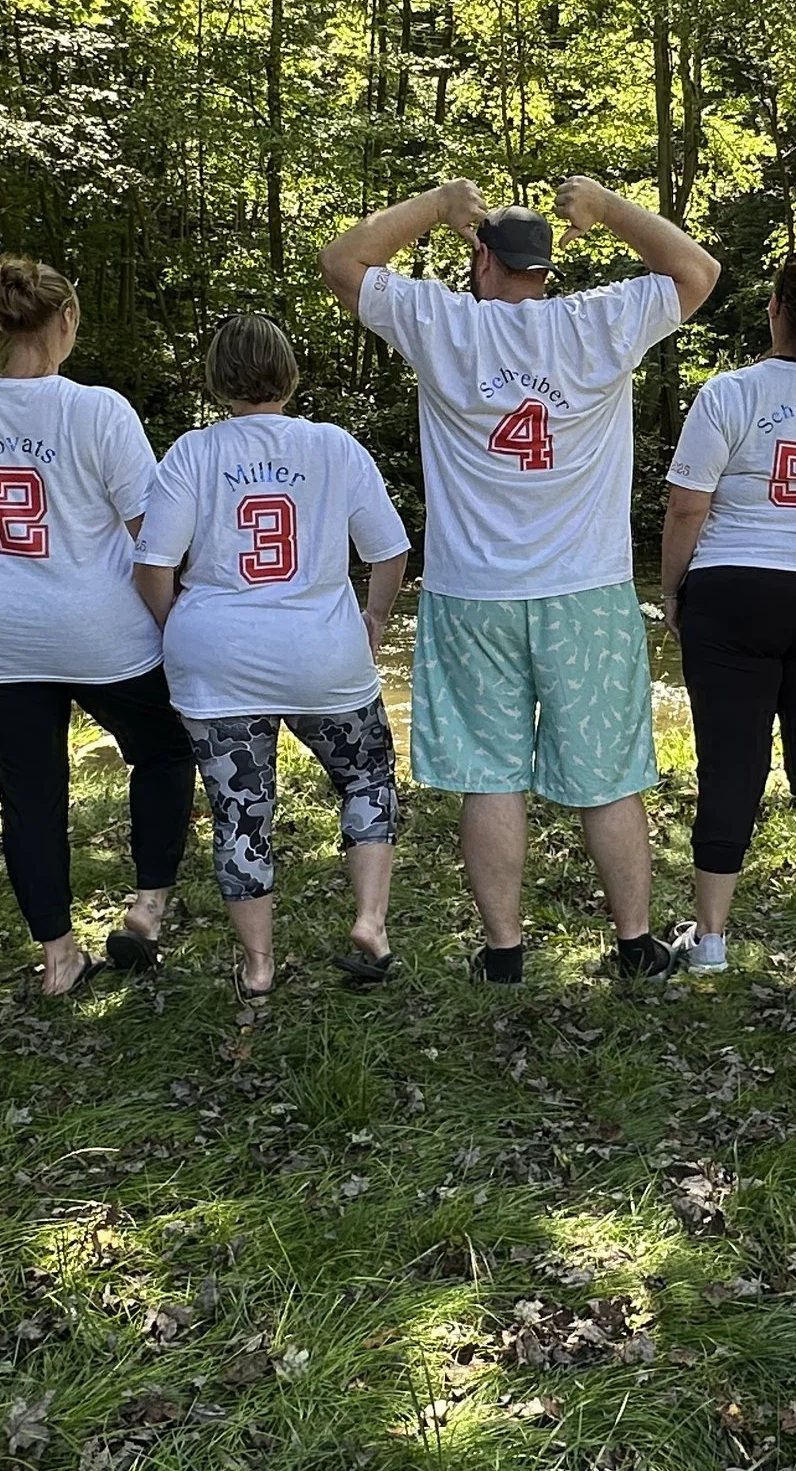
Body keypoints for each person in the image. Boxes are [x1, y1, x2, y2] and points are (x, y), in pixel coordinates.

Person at [319, 176, 721, 986]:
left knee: (488, 773)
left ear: (482, 261)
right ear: (546, 267)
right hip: (587, 590)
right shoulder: (598, 320)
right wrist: (607, 210)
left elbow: (342, 261)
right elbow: (697, 271)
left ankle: (504, 954)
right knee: (607, 772)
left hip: (472, 594)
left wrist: (434, 204)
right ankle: (637, 945)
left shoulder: (444, 322)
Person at [0, 258, 195, 997]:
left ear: (0, 324)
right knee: (163, 749)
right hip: (102, 628)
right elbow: (149, 533)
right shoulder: (97, 409)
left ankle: (58, 956)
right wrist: (181, 620)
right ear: (66, 320)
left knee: (30, 795)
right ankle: (147, 905)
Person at [133, 315, 411, 1000]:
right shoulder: (333, 447)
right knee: (367, 777)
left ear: (217, 378)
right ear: (289, 372)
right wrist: (372, 616)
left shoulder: (192, 454)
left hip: (218, 662)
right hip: (325, 655)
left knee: (240, 812)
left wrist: (181, 627)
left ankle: (258, 967)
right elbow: (389, 549)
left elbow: (153, 564)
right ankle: (370, 923)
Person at [659, 253, 796, 974]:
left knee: (731, 765)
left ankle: (712, 939)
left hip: (734, 591)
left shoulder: (728, 393)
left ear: (772, 309)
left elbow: (687, 506)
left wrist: (673, 590)